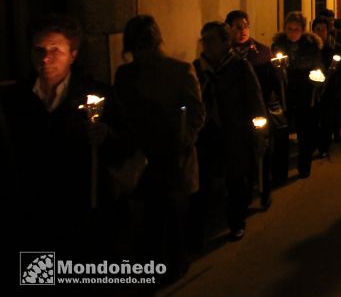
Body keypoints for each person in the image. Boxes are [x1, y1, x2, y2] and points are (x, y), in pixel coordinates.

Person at [4, 15, 129, 260]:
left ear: (73, 54)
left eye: (55, 50)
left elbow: (126, 143)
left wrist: (107, 136)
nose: (45, 58)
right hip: (34, 212)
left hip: (83, 209)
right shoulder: (16, 99)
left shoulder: (97, 94)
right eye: (38, 50)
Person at [114, 15, 205, 282]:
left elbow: (196, 114)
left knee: (172, 216)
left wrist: (182, 141)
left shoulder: (180, 70)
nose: (141, 53)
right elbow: (120, 113)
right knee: (149, 217)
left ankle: (174, 263)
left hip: (172, 156)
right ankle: (152, 265)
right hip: (142, 154)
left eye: (145, 45)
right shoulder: (126, 75)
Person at [190, 22, 268, 246]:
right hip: (206, 135)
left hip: (234, 133)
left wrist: (259, 132)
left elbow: (254, 100)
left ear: (225, 42)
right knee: (201, 184)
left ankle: (237, 223)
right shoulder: (198, 68)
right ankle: (196, 232)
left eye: (211, 40)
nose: (206, 45)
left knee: (236, 181)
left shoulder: (240, 67)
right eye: (203, 40)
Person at [225, 9, 285, 196]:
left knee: (264, 148)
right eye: (238, 27)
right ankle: (247, 186)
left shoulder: (262, 52)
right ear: (229, 29)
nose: (243, 31)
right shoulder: (226, 54)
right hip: (236, 112)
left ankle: (265, 187)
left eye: (246, 26)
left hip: (260, 108)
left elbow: (274, 83)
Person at [272, 11, 323, 178]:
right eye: (289, 28)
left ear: (303, 29)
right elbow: (272, 68)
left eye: (296, 29)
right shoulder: (278, 45)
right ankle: (280, 171)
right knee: (281, 134)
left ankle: (304, 167)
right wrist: (277, 72)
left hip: (304, 93)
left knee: (304, 133)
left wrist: (316, 78)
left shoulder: (311, 45)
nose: (293, 32)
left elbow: (318, 68)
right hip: (284, 94)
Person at [312, 17, 341, 157]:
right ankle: (314, 143)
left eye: (323, 29)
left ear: (328, 31)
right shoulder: (309, 46)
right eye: (317, 29)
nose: (320, 32)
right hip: (313, 89)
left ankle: (324, 147)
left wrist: (335, 68)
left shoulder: (334, 46)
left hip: (330, 87)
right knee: (314, 118)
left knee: (327, 119)